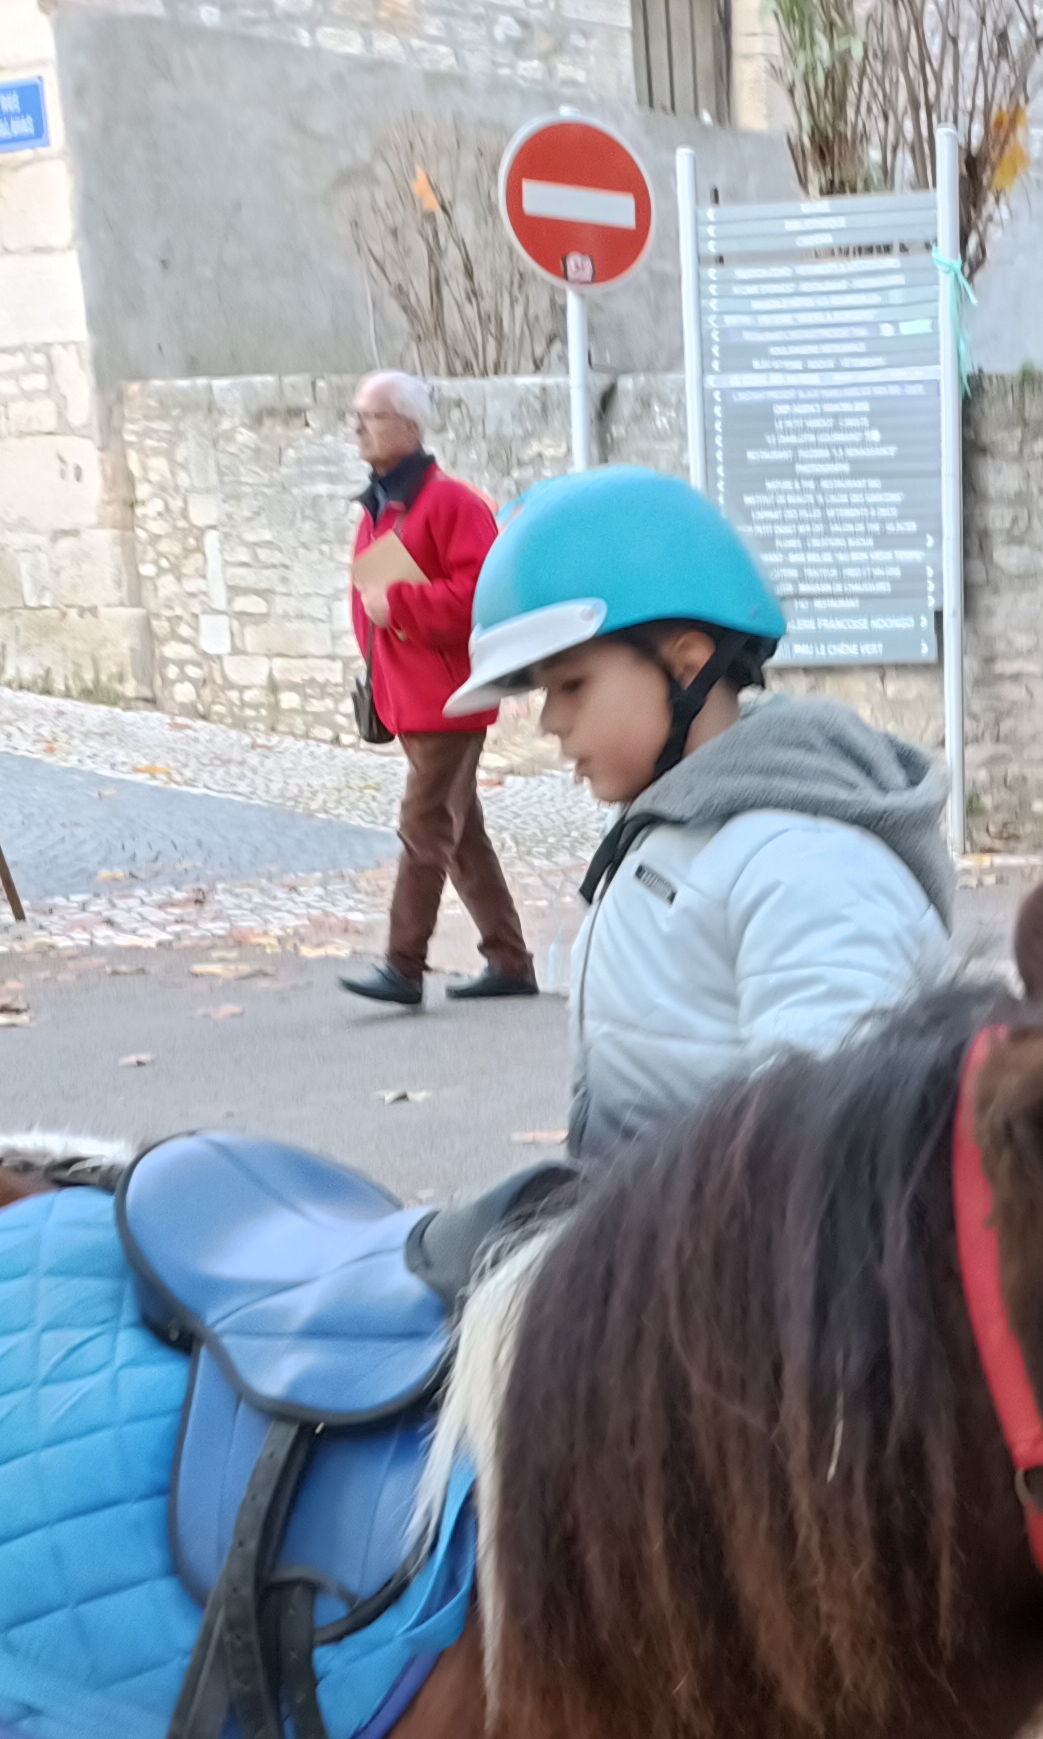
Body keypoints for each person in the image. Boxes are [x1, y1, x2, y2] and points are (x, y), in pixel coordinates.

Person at [444, 466, 956, 1153]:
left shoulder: (805, 866)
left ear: (685, 668)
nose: (550, 722)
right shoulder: (681, 831)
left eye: (572, 685)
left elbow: (832, 1152)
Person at [341, 368, 539, 1012]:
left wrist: (396, 606)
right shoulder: (382, 504)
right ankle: (509, 960)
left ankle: (403, 966)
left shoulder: (452, 503)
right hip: (411, 697)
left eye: (370, 415)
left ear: (409, 425)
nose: (357, 427)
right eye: (357, 415)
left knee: (425, 827)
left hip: (450, 698)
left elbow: (482, 597)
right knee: (462, 835)